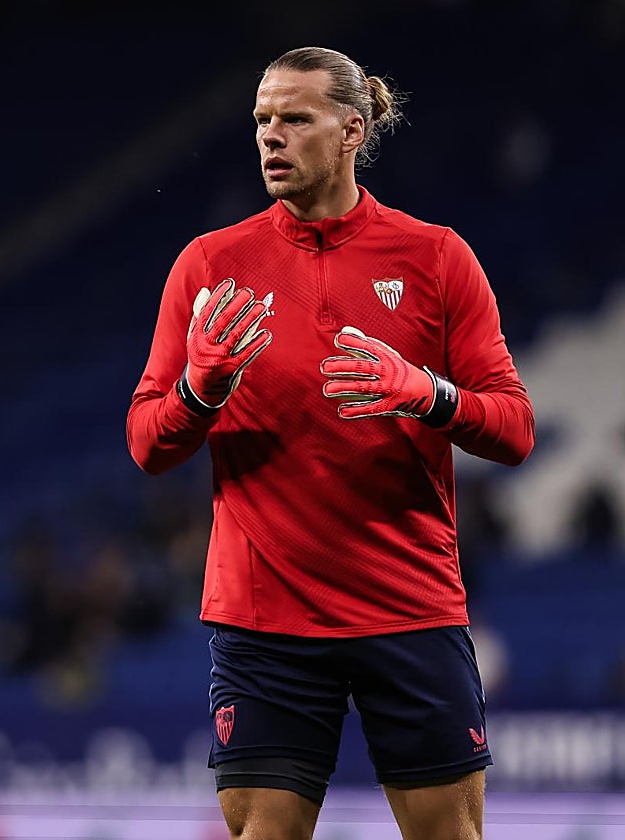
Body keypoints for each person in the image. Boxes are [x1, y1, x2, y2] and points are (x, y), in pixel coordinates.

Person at [126, 47, 534, 839]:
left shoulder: (435, 257)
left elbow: (514, 428)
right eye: (261, 121)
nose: (271, 137)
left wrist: (428, 393)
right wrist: (197, 391)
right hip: (264, 619)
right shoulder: (210, 265)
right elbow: (148, 443)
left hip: (409, 607)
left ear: (353, 129)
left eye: (294, 119)